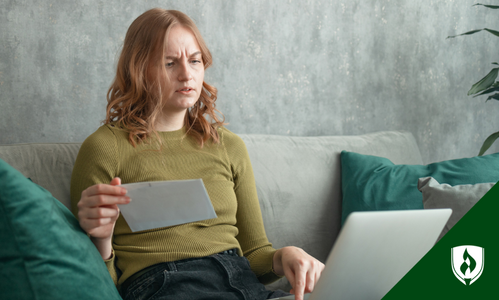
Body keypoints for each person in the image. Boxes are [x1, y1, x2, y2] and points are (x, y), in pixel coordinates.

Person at [70, 8, 324, 300]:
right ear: (138, 70)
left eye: (194, 60)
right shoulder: (106, 147)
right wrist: (101, 239)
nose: (186, 74)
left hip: (242, 283)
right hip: (165, 284)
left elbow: (255, 253)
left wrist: (286, 256)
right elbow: (95, 282)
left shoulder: (228, 145)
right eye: (169, 63)